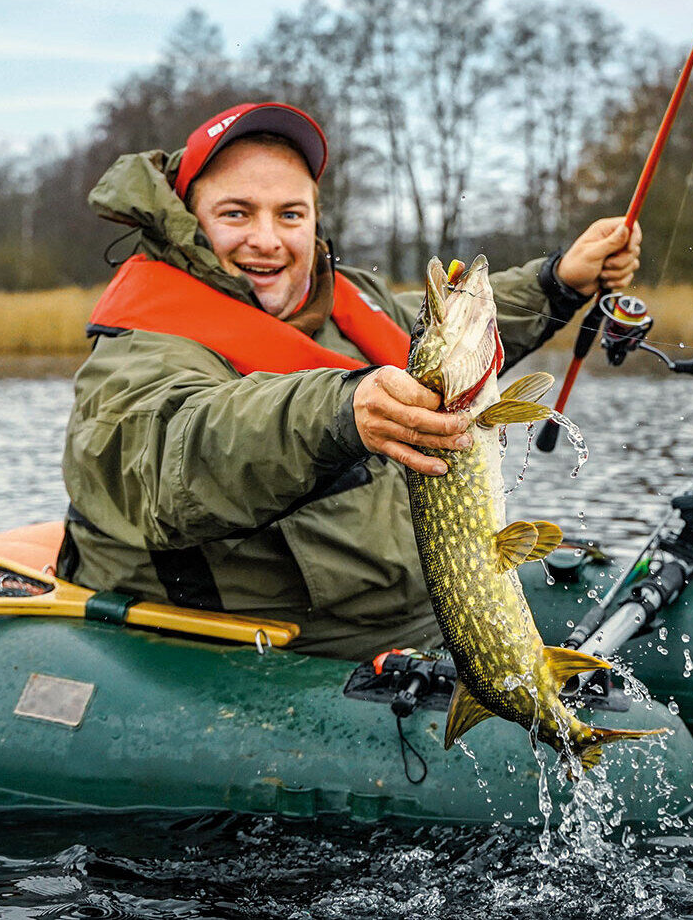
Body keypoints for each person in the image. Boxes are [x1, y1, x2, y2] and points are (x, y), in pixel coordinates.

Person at [61, 101, 640, 660]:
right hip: (267, 642)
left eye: (290, 214)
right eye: (236, 213)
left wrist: (558, 281)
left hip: (416, 610)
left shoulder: (345, 303)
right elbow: (176, 455)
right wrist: (338, 412)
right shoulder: (141, 347)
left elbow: (455, 352)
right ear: (188, 219)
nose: (267, 240)